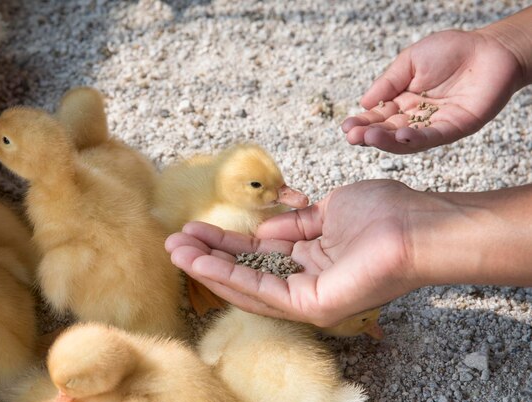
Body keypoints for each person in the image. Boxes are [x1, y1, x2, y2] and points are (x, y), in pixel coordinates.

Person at [165, 6, 532, 328]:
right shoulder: (216, 210)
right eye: (263, 186)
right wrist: (509, 46)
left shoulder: (241, 208)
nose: (288, 194)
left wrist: (414, 241)